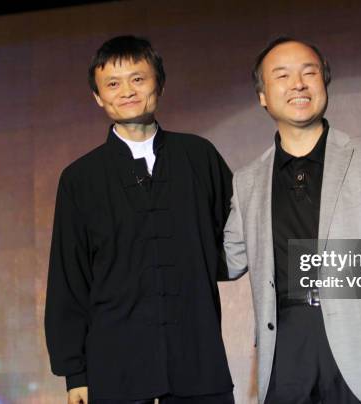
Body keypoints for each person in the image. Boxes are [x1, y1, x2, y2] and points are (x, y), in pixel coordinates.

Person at [224, 36, 361, 404]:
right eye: (282, 76)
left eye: (309, 72)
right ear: (263, 96)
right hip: (285, 346)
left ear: (324, 82)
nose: (298, 84)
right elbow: (228, 260)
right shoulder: (247, 181)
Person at [45, 35, 234, 404]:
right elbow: (69, 279)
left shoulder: (198, 155)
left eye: (138, 79)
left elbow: (242, 237)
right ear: (98, 97)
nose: (126, 91)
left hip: (199, 367)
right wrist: (75, 374)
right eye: (112, 84)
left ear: (158, 83)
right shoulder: (79, 178)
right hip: (115, 375)